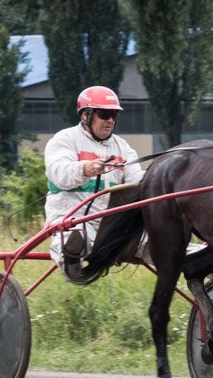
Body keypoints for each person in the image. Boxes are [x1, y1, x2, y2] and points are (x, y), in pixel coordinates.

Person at [43, 85, 145, 268]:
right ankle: (72, 259)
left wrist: (160, 175)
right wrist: (85, 169)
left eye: (114, 115)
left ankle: (195, 264)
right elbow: (58, 172)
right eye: (104, 114)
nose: (110, 121)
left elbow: (137, 181)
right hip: (71, 219)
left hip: (112, 226)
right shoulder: (64, 139)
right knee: (75, 238)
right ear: (85, 115)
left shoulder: (123, 147)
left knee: (164, 240)